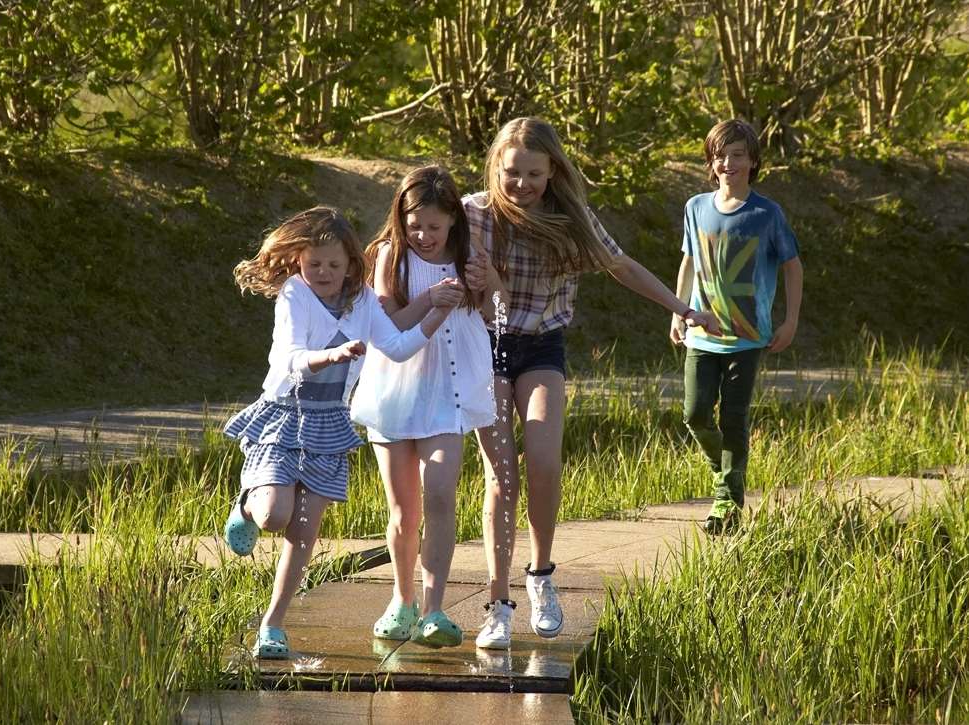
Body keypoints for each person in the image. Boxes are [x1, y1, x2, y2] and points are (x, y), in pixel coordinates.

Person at [463, 117, 722, 649]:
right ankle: (497, 603)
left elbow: (621, 266)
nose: (521, 185)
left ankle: (540, 576)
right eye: (512, 173)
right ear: (496, 168)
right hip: (481, 349)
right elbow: (411, 245)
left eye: (534, 174)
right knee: (501, 476)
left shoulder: (571, 219)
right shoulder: (473, 214)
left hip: (540, 349)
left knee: (544, 459)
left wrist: (683, 308)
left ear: (552, 170)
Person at [221, 206, 458, 659]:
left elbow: (399, 346)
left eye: (333, 265)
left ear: (352, 264)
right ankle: (246, 508)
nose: (323, 273)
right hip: (284, 413)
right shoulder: (295, 294)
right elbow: (291, 356)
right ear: (298, 262)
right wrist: (329, 357)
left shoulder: (363, 300)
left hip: (330, 422)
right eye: (314, 264)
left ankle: (273, 625)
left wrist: (435, 314)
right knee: (275, 515)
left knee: (304, 530)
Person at [351, 166, 506, 649]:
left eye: (434, 227)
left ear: (453, 223)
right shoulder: (389, 258)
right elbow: (387, 320)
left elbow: (496, 310)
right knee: (404, 510)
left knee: (440, 493)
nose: (423, 235)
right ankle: (402, 599)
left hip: (449, 393)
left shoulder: (469, 256)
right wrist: (430, 300)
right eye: (415, 225)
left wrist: (489, 282)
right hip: (395, 393)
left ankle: (434, 607)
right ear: (401, 218)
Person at [670, 118, 803, 535]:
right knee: (694, 414)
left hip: (748, 338)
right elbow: (689, 261)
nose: (728, 162)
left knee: (734, 417)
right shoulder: (695, 207)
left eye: (737, 155)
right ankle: (725, 472)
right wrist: (677, 310)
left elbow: (793, 266)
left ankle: (727, 501)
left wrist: (791, 319)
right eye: (720, 155)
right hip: (701, 334)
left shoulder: (767, 213)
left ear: (753, 161)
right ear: (711, 162)